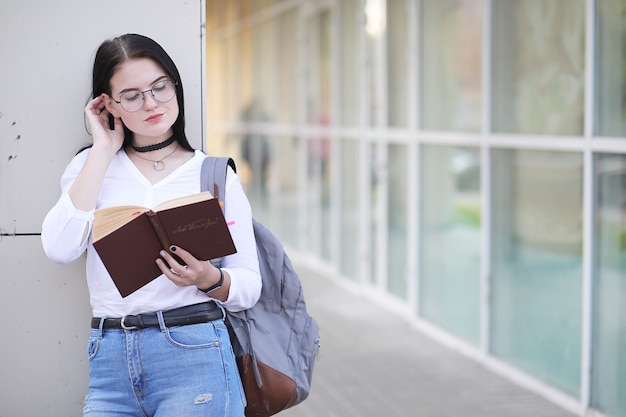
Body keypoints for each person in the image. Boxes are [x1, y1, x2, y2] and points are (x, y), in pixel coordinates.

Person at [41, 33, 261, 417]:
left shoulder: (212, 174)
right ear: (107, 104)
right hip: (109, 356)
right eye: (132, 95)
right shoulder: (89, 166)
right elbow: (59, 249)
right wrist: (103, 150)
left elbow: (250, 286)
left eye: (160, 87)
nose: (152, 103)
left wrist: (208, 278)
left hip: (195, 352)